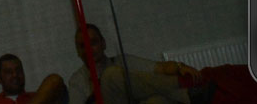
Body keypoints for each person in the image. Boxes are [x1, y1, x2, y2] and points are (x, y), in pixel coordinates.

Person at [68, 24, 208, 104]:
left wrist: (180, 67)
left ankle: (187, 95)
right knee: (110, 75)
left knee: (156, 102)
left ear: (103, 43)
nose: (88, 50)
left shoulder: (123, 61)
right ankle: (186, 92)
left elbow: (160, 68)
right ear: (78, 51)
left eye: (93, 43)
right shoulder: (77, 80)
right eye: (82, 46)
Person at [0, 53, 66, 104]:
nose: (15, 75)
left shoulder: (39, 97)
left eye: (18, 70)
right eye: (8, 72)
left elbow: (55, 80)